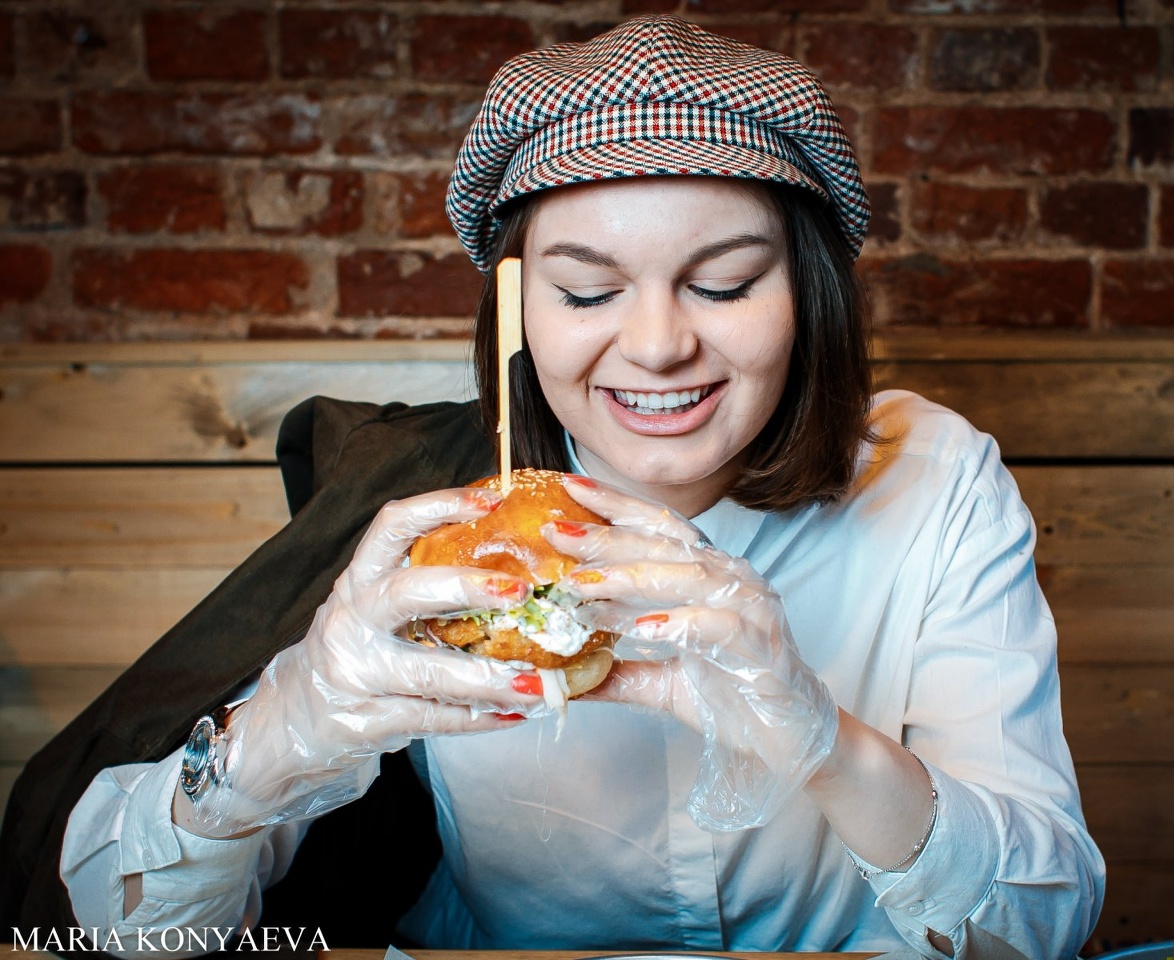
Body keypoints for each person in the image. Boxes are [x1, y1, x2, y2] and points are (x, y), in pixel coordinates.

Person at [3, 16, 1103, 960]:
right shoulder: (433, 521)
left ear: (808, 296)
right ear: (520, 311)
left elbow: (1045, 924)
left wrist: (823, 737)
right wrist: (285, 732)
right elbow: (112, 934)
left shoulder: (937, 479)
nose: (660, 345)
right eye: (586, 290)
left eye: (722, 282)